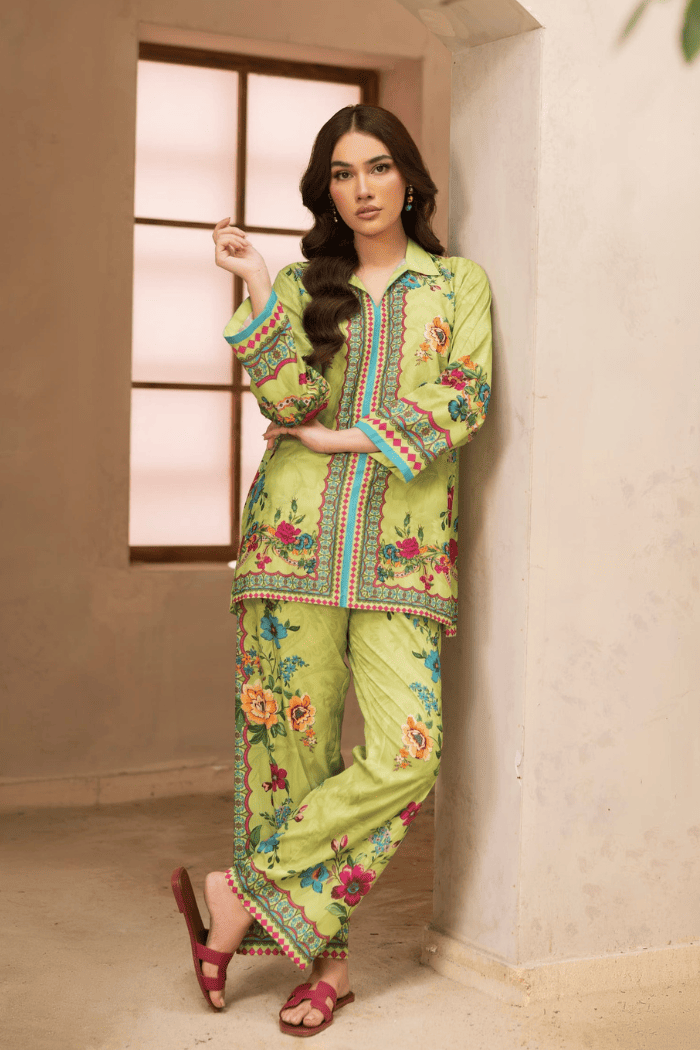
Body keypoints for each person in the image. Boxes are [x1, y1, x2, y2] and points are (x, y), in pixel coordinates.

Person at [172, 103, 492, 1037]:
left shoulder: (455, 284)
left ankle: (240, 892)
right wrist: (259, 283)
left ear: (410, 179)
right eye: (343, 175)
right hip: (291, 546)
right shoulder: (316, 283)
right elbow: (289, 397)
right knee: (293, 762)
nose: (362, 190)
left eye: (379, 169)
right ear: (326, 191)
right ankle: (331, 966)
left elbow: (461, 398)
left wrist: (337, 436)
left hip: (401, 559)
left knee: (407, 753)